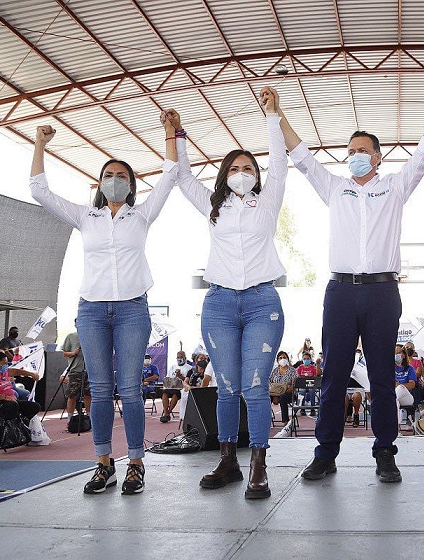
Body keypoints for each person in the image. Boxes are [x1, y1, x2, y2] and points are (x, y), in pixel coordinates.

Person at [278, 78, 424, 485]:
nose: (354, 156)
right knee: (333, 374)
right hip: (339, 292)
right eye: (349, 151)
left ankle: (385, 452)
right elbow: (301, 158)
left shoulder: (394, 188)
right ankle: (326, 453)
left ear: (377, 157)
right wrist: (278, 114)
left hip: (383, 292)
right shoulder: (334, 188)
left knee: (383, 377)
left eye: (362, 151)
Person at [30, 114, 179, 495]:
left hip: (132, 309)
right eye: (108, 175)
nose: (115, 180)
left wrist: (168, 133)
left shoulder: (142, 214)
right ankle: (102, 463)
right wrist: (40, 144)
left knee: (129, 389)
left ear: (131, 185)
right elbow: (39, 191)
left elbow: (170, 174)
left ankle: (135, 463)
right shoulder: (86, 216)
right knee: (99, 387)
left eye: (122, 176)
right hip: (92, 311)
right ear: (100, 183)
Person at [165, 87, 287, 499]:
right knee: (228, 386)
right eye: (235, 167)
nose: (242, 172)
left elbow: (282, 161)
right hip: (218, 304)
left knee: (254, 386)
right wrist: (178, 136)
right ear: (225, 173)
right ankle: (228, 460)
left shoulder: (267, 201)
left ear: (256, 175)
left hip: (261, 303)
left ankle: (259, 464)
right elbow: (182, 176)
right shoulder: (213, 205)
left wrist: (272, 115)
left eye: (249, 167)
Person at [0, 351, 41, 423]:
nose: (6, 365)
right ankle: (11, 427)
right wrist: (5, 397)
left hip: (10, 401)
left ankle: (22, 424)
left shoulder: (4, 372)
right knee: (12, 406)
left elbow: (17, 371)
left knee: (35, 407)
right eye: (4, 363)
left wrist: (32, 374)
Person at [60, 322, 91, 424]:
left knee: (88, 395)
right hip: (75, 371)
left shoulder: (91, 335)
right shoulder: (71, 337)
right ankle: (70, 419)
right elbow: (64, 353)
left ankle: (89, 417)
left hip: (88, 370)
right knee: (72, 396)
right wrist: (74, 353)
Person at [161, 351, 190, 423]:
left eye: (181, 357)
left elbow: (188, 380)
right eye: (178, 357)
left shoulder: (189, 368)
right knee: (164, 394)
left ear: (185, 358)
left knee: (175, 395)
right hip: (172, 386)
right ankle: (166, 413)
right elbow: (168, 378)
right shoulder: (173, 367)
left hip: (181, 388)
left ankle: (168, 413)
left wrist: (180, 376)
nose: (179, 359)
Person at [269, 351, 298, 424]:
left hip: (289, 394)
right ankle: (266, 419)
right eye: (280, 358)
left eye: (284, 357)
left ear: (287, 359)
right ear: (277, 360)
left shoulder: (292, 371)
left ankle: (285, 421)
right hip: (275, 393)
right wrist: (274, 395)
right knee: (266, 397)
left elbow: (293, 385)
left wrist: (281, 393)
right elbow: (271, 382)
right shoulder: (275, 371)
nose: (282, 359)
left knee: (283, 397)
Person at [394, 344, 417, 425]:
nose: (397, 355)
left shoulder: (410, 368)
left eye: (399, 352)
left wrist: (400, 385)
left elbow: (412, 384)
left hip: (407, 397)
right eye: (395, 353)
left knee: (400, 388)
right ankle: (396, 427)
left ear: (404, 355)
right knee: (395, 401)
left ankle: (394, 428)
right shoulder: (389, 368)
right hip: (394, 396)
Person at [295, 351, 321, 415]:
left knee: (312, 390)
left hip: (311, 385)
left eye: (307, 358)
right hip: (302, 385)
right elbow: (298, 377)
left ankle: (313, 408)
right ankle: (302, 409)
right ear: (302, 359)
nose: (306, 360)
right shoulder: (300, 367)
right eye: (304, 359)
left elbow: (315, 377)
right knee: (302, 391)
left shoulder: (313, 368)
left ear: (310, 359)